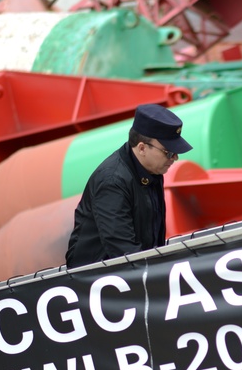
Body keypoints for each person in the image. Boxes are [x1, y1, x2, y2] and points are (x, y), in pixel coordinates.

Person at [66, 104, 192, 269]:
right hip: (95, 280)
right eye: (168, 152)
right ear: (142, 148)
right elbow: (122, 250)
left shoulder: (152, 170)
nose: (174, 158)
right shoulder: (112, 181)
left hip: (130, 271)